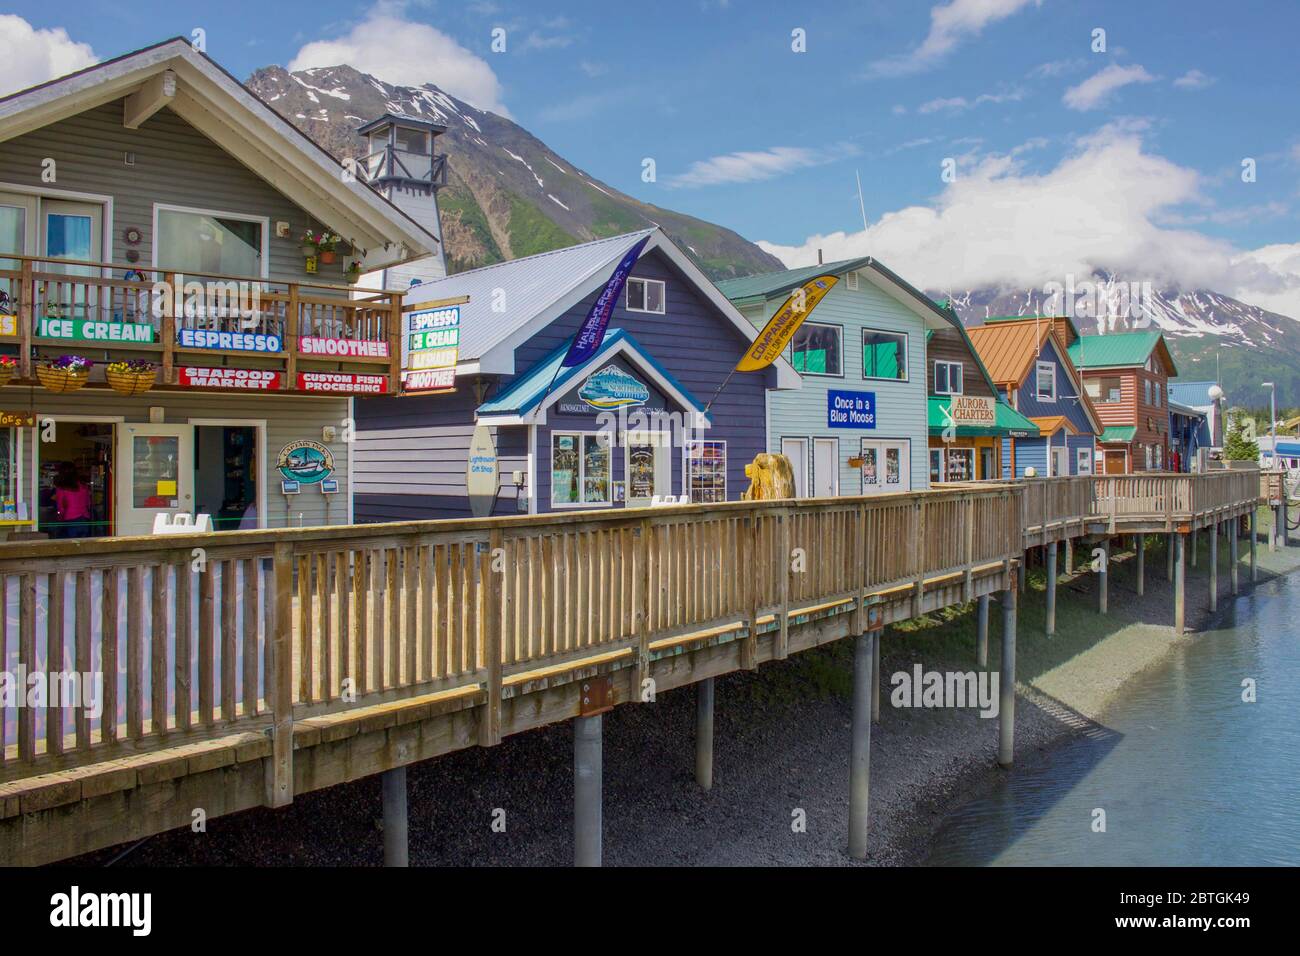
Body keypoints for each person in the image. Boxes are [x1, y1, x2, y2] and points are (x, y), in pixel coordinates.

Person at [52, 463, 94, 538]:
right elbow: (88, 503)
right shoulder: (83, 486)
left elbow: (61, 508)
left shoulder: (62, 488)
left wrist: (59, 519)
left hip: (70, 520)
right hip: (84, 519)